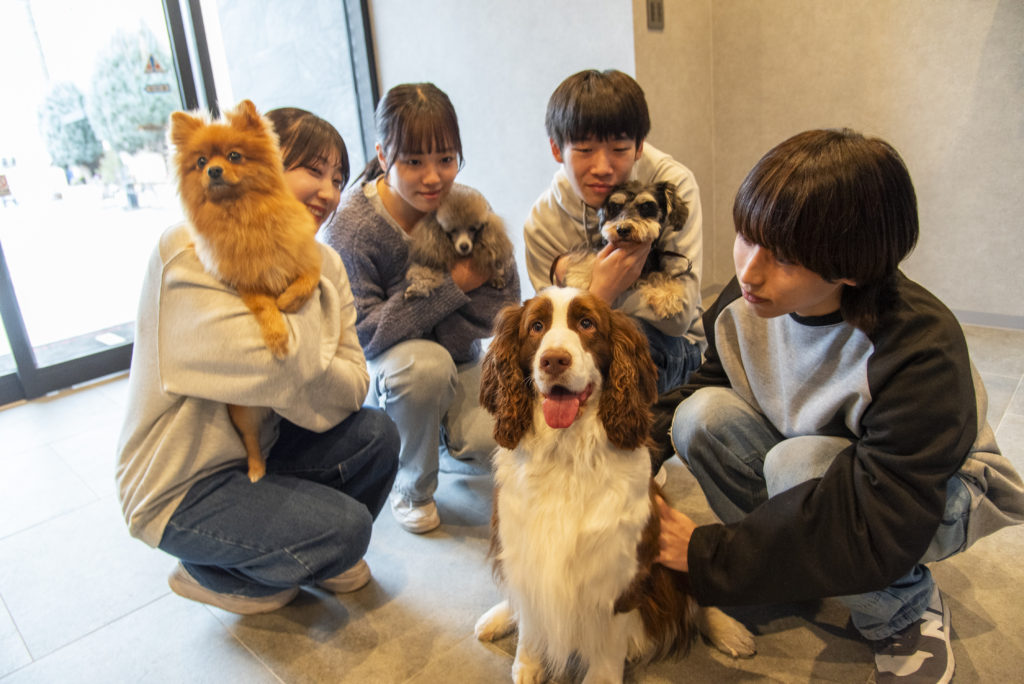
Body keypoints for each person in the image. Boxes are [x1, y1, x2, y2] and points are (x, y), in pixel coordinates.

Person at [653, 128, 1024, 683]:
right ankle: (789, 564)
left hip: (929, 497)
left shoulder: (917, 348)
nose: (749, 271)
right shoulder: (748, 299)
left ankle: (902, 610)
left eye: (783, 258)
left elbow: (886, 510)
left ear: (850, 267)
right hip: (829, 465)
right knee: (700, 417)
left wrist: (709, 555)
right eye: (746, 237)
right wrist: (630, 453)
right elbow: (709, 380)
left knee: (796, 466)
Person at [116, 107, 399, 615]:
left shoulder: (325, 260)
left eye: (338, 179)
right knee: (346, 531)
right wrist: (308, 298)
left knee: (377, 435)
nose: (329, 193)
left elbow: (354, 384)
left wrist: (298, 351)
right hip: (184, 483)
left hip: (259, 454)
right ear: (266, 162)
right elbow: (279, 369)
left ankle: (296, 552)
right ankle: (214, 572)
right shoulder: (188, 248)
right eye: (313, 171)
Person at [319, 83, 520, 535]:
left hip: (460, 361)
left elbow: (503, 304)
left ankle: (437, 437)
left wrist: (420, 318)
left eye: (446, 159)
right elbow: (366, 334)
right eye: (413, 162)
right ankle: (411, 489)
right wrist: (457, 287)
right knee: (423, 367)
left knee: (501, 438)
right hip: (388, 374)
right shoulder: (353, 228)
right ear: (382, 155)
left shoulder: (469, 207)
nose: (433, 178)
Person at [524, 69, 705, 397]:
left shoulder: (671, 185)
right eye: (584, 150)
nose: (603, 168)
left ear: (639, 147)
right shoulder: (542, 223)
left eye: (620, 149)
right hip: (587, 342)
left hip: (672, 345)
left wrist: (595, 293)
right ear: (556, 149)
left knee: (628, 344)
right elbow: (552, 328)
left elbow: (678, 317)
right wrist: (599, 293)